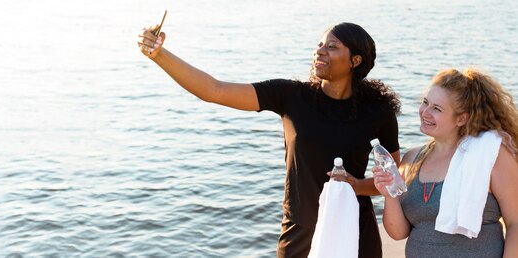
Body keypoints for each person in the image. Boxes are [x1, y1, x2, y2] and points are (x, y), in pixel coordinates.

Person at [138, 22, 401, 257]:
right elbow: (214, 90)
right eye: (319, 45)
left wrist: (355, 186)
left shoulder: (377, 110)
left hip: (353, 227)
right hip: (300, 232)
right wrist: (159, 55)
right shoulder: (290, 96)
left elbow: (393, 179)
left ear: (354, 61)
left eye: (332, 47)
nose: (320, 51)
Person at [373, 68, 518, 257]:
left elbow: (515, 222)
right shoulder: (411, 159)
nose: (425, 112)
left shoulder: (490, 155)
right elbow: (399, 232)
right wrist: (389, 194)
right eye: (425, 102)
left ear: (461, 118)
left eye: (437, 108)